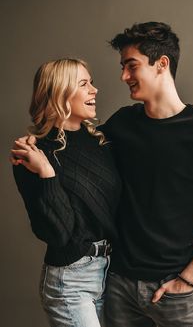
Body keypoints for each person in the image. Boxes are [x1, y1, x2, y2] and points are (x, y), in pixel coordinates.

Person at [98, 22, 193, 327]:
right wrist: (39, 141)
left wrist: (189, 278)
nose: (124, 77)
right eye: (123, 67)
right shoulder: (121, 123)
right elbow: (79, 153)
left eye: (131, 66)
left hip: (176, 290)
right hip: (118, 286)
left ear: (162, 64)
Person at [11, 58, 121, 327]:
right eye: (84, 84)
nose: (94, 90)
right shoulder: (33, 154)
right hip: (71, 280)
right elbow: (58, 233)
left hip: (112, 273)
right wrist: (47, 173)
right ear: (59, 94)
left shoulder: (101, 142)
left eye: (91, 82)